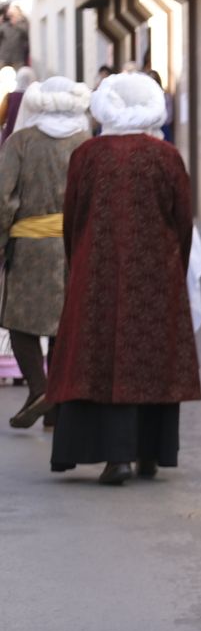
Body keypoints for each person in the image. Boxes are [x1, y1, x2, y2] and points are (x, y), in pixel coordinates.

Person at [46, 73, 199, 485]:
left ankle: (115, 458)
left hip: (96, 274)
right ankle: (150, 453)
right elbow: (182, 221)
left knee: (100, 359)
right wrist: (173, 267)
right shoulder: (166, 157)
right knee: (149, 360)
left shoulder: (88, 155)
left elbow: (73, 218)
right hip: (156, 276)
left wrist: (80, 263)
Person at [0, 77, 92, 428]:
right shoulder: (86, 142)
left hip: (28, 247)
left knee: (18, 323)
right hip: (73, 246)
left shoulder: (20, 142)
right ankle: (53, 408)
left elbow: (3, 199)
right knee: (60, 326)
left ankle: (39, 389)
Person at [0, 66, 38, 143]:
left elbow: (1, 117)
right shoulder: (35, 98)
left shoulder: (10, 96)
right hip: (29, 139)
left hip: (10, 136)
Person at [0, 5, 30, 70]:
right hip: (4, 57)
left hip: (17, 58)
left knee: (18, 77)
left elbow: (27, 34)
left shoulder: (23, 23)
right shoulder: (5, 24)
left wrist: (16, 24)